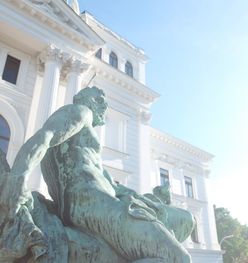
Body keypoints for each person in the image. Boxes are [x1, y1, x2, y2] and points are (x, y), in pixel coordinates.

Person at [1, 87, 192, 263]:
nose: (105, 105)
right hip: (95, 205)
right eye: (99, 99)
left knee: (180, 225)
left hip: (91, 206)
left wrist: (152, 201)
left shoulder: (83, 148)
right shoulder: (81, 111)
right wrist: (18, 176)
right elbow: (46, 137)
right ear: (84, 99)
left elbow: (114, 186)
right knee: (177, 258)